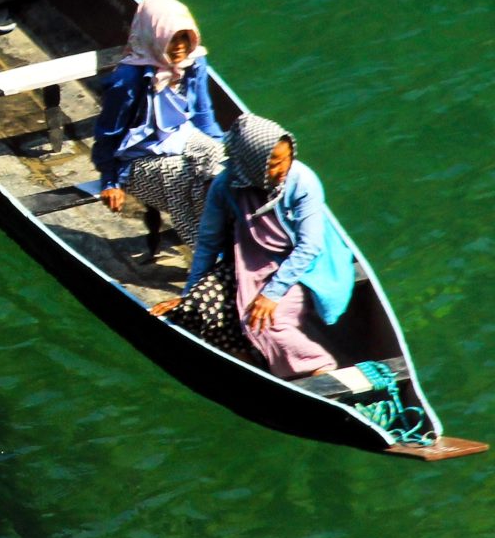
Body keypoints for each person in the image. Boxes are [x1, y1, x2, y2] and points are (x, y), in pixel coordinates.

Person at [148, 112, 360, 379]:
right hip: (252, 263)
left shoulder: (302, 182)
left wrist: (272, 293)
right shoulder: (226, 186)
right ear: (252, 162)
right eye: (273, 163)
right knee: (197, 306)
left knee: (262, 320)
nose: (283, 168)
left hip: (304, 269)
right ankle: (251, 365)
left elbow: (309, 246)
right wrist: (189, 292)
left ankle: (318, 367)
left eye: (286, 159)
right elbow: (208, 243)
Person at [92, 0, 225, 241]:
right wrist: (110, 182)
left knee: (222, 163)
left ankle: (226, 235)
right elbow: (107, 136)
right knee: (181, 178)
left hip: (181, 136)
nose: (179, 46)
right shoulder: (128, 80)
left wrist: (222, 148)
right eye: (171, 38)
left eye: (184, 37)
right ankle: (202, 249)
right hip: (136, 156)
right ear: (155, 36)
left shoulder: (194, 62)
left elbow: (204, 116)